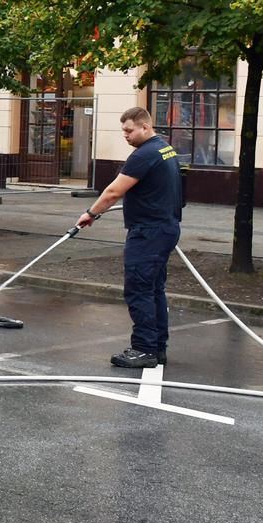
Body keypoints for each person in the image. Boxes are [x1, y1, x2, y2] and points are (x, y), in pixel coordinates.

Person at [77, 107, 183, 370]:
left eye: (129, 130)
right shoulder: (164, 149)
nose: (125, 135)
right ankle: (157, 348)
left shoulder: (144, 154)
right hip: (164, 227)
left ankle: (144, 349)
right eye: (123, 130)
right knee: (154, 289)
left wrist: (90, 213)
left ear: (145, 127)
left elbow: (114, 191)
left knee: (139, 290)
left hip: (148, 232)